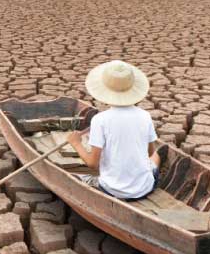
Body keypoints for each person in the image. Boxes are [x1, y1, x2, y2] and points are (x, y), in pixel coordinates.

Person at [66, 59, 161, 200]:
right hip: (145, 188)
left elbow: (93, 164)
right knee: (156, 156)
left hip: (112, 190)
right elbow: (150, 152)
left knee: (82, 176)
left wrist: (76, 143)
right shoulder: (145, 115)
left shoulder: (100, 120)